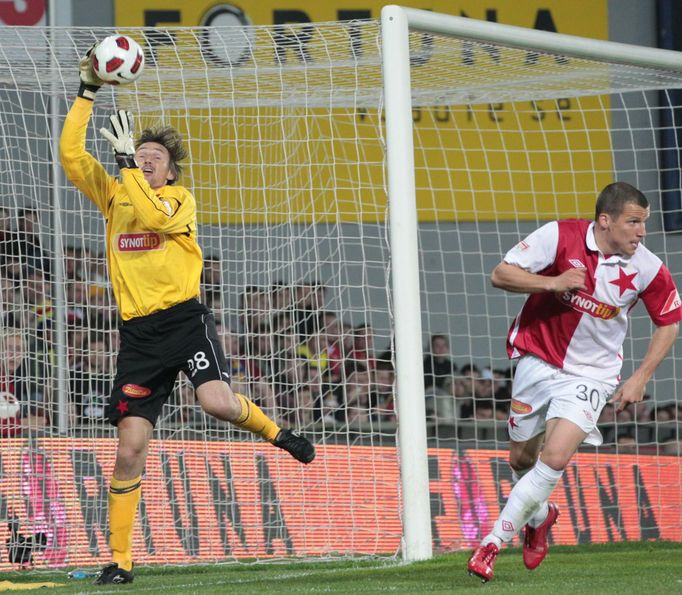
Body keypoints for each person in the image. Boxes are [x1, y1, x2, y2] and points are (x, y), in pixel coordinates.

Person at [60, 46, 315, 585]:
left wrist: (129, 163)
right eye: (141, 152)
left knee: (217, 401)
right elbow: (71, 156)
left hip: (183, 321)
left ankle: (278, 434)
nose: (147, 158)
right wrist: (87, 90)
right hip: (137, 336)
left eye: (156, 156)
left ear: (171, 171)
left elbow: (152, 211)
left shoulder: (178, 202)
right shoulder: (115, 197)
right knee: (128, 450)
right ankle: (121, 561)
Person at [467, 182, 682, 582]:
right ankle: (541, 515)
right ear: (605, 220)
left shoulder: (649, 268)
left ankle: (490, 545)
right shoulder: (559, 236)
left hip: (592, 374)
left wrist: (640, 377)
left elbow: (669, 322)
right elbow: (501, 274)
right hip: (536, 360)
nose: (641, 232)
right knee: (520, 460)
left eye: (644, 224)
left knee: (556, 457)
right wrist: (552, 282)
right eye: (633, 222)